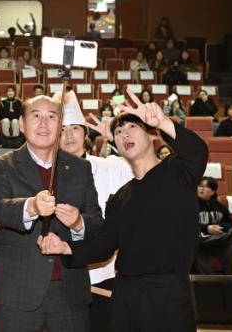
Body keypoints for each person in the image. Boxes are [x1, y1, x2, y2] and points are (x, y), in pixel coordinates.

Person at [37, 88, 208, 332]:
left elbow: (198, 150)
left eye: (132, 127)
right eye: (118, 132)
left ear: (151, 135)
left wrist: (162, 122)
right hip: (125, 296)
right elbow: (105, 244)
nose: (124, 134)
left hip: (168, 296)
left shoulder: (177, 172)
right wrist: (66, 248)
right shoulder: (121, 197)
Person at [0, 94, 103, 332]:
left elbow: (96, 221)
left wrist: (78, 223)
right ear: (22, 124)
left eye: (52, 117)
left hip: (70, 292)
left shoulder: (80, 167)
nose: (44, 124)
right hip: (18, 291)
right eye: (36, 116)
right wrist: (31, 206)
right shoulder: (4, 164)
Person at [61, 91, 134, 332]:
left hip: (105, 274)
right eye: (62, 130)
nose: (68, 136)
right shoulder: (46, 175)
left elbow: (146, 173)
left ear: (85, 133)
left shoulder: (110, 166)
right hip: (62, 279)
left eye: (75, 128)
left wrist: (118, 142)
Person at [195, 177, 232, 276]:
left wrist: (219, 227)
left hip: (216, 242)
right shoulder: (190, 205)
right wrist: (207, 228)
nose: (201, 189)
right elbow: (188, 224)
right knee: (195, 255)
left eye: (205, 187)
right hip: (199, 244)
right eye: (200, 186)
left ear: (212, 192)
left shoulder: (221, 207)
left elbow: (230, 224)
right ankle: (209, 283)